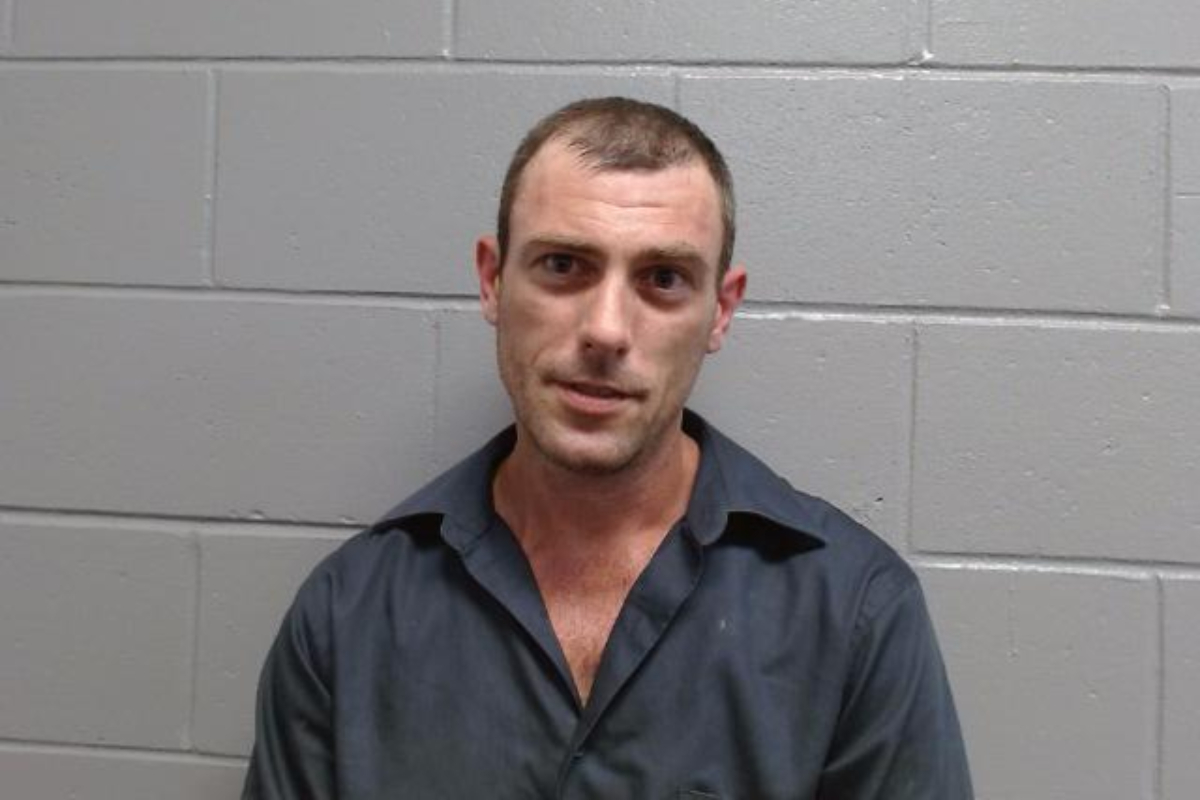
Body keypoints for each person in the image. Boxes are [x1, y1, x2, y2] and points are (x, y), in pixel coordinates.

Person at [243, 97, 972, 799]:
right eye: (564, 265)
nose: (606, 330)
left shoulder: (853, 614)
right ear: (493, 281)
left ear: (720, 310)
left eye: (663, 279)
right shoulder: (350, 615)